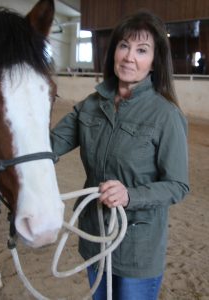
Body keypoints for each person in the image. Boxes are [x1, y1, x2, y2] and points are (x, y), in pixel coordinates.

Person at [51, 10, 189, 300]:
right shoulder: (90, 106)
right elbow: (48, 146)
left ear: (154, 62)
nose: (129, 57)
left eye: (142, 50)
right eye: (124, 46)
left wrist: (130, 196)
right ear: (113, 51)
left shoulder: (166, 115)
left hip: (138, 250)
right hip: (95, 238)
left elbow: (177, 185)